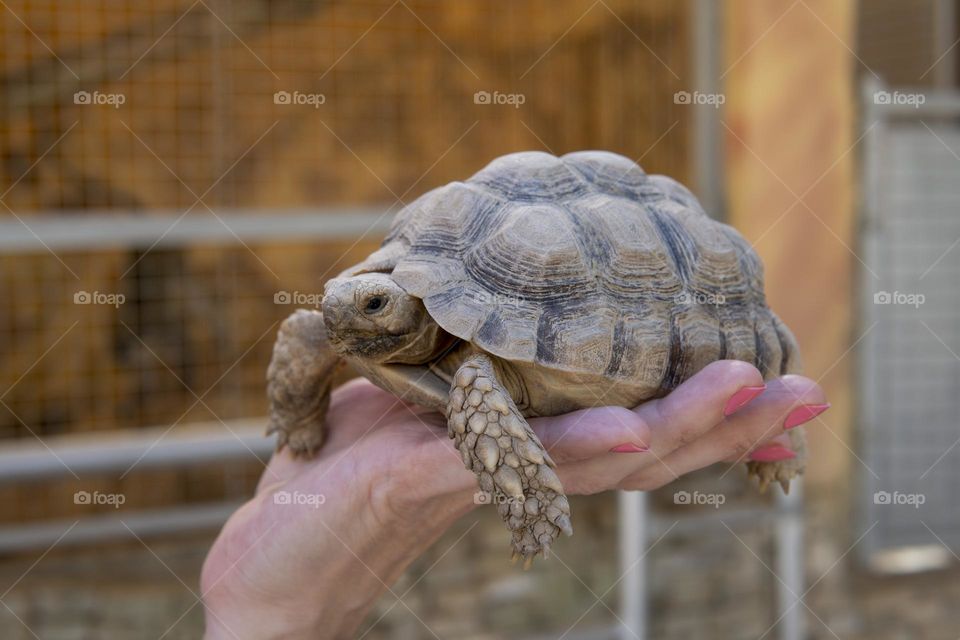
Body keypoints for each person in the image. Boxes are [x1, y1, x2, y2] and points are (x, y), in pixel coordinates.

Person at [202, 359, 826, 639]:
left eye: (372, 305)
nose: (346, 322)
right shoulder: (362, 333)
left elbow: (475, 371)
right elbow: (313, 329)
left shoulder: (472, 369)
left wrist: (257, 619)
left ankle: (778, 438)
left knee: (475, 376)